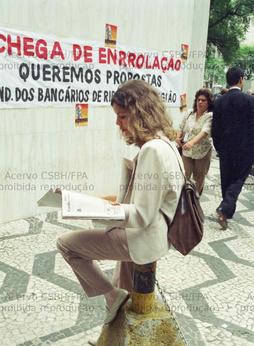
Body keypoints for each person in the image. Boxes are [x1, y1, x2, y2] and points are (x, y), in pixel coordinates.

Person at [57, 80, 184, 325]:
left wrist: (97, 211)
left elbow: (142, 215)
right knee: (123, 284)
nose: (118, 123)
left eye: (122, 116)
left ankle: (110, 296)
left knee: (67, 246)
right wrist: (97, 202)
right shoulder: (166, 144)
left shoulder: (153, 151)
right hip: (152, 236)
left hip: (143, 238)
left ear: (140, 113)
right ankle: (116, 337)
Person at [212, 66, 254, 229]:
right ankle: (225, 208)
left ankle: (226, 210)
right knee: (238, 180)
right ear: (241, 79)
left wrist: (219, 148)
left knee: (226, 179)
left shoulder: (220, 101)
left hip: (226, 150)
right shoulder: (250, 101)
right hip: (246, 150)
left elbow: (215, 128)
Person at [177, 88, 214, 195]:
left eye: (203, 100)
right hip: (187, 151)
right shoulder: (189, 113)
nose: (200, 102)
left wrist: (191, 143)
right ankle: (183, 199)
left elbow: (205, 132)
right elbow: (181, 127)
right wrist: (178, 137)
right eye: (198, 100)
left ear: (209, 103)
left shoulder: (210, 116)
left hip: (202, 152)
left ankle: (195, 201)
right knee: (184, 175)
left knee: (198, 178)